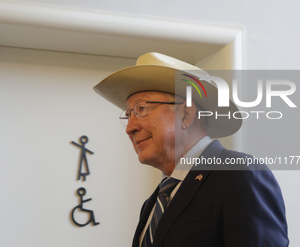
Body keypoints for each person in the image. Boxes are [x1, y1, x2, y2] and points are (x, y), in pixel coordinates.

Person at [93, 52, 289, 247]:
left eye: (142, 109)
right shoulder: (152, 204)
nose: (130, 127)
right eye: (128, 114)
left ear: (186, 114)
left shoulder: (239, 174)